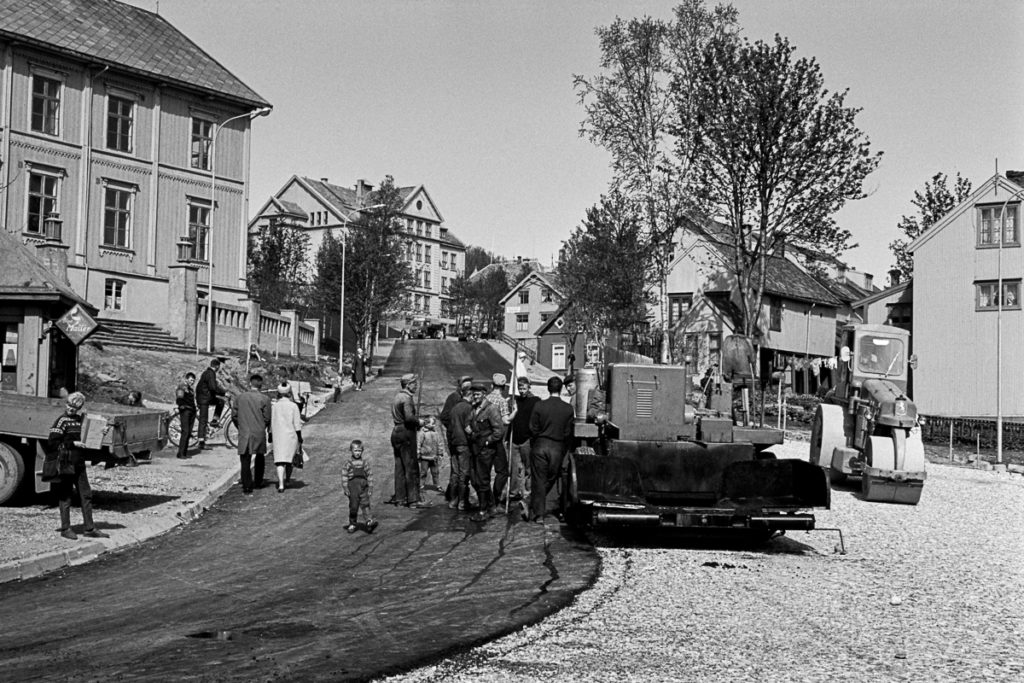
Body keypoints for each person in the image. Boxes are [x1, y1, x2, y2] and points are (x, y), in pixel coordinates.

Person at [48, 392, 109, 540]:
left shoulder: (80, 421)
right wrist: (72, 444)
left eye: (74, 407)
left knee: (86, 495)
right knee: (66, 496)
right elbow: (52, 443)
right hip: (66, 463)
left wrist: (101, 433)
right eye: (69, 405)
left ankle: (89, 528)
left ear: (79, 407)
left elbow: (89, 436)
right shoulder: (61, 421)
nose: (70, 409)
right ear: (66, 404)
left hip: (79, 464)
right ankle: (65, 528)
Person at [528, 376, 575, 523]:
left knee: (538, 479)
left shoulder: (539, 406)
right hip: (557, 447)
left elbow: (532, 428)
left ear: (548, 389)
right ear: (561, 389)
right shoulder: (568, 409)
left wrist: (539, 437)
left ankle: (538, 513)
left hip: (540, 445)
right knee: (551, 478)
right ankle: (532, 504)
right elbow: (568, 432)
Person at [468, 381, 505, 521]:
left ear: (484, 395)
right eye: (473, 394)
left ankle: (483, 511)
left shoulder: (491, 409)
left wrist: (488, 441)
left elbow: (499, 431)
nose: (475, 397)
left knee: (483, 480)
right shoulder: (474, 408)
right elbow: (471, 423)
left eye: (477, 394)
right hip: (477, 449)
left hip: (487, 450)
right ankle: (491, 507)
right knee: (477, 479)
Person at [389, 373, 427, 507]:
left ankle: (400, 499)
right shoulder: (406, 399)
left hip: (396, 432)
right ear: (407, 385)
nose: (416, 386)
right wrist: (420, 422)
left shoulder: (397, 396)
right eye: (414, 383)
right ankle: (413, 500)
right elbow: (409, 418)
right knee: (411, 467)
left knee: (399, 467)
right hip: (406, 433)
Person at [234, 374, 272, 495]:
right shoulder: (265, 399)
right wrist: (263, 426)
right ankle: (258, 481)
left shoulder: (240, 398)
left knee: (245, 459)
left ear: (250, 383)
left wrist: (240, 426)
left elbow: (234, 415)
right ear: (260, 385)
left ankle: (247, 485)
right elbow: (267, 417)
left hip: (244, 431)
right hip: (259, 431)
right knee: (260, 457)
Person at [509, 376, 541, 514]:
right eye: (520, 388)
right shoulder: (514, 401)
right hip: (514, 439)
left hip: (527, 439)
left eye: (524, 388)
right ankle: (514, 492)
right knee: (514, 468)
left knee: (528, 468)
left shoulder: (535, 401)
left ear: (529, 387)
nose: (522, 391)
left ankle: (528, 493)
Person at [439, 375, 473, 500]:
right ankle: (459, 498)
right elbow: (444, 417)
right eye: (467, 386)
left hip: (456, 437)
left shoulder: (462, 400)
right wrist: (454, 428)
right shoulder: (454, 398)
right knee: (461, 469)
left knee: (456, 469)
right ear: (461, 387)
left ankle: (452, 496)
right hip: (458, 438)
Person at [485, 373, 514, 506]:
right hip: (496, 440)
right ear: (504, 387)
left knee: (484, 470)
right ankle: (495, 498)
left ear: (492, 386)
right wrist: (515, 411)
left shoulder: (485, 399)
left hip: (484, 438)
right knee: (502, 471)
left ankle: (484, 498)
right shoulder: (502, 401)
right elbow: (506, 420)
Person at [271, 383, 304, 493]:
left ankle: (280, 484)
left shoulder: (274, 406)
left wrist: (270, 435)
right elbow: (297, 424)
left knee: (279, 461)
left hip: (278, 435)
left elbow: (272, 422)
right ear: (289, 393)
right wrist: (300, 437)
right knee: (289, 459)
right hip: (291, 435)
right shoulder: (293, 406)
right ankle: (288, 479)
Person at [447, 383, 474, 510]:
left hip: (454, 442)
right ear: (471, 395)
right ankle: (463, 502)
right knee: (464, 474)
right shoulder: (468, 408)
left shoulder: (455, 407)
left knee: (455, 473)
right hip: (464, 443)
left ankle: (453, 500)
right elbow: (468, 428)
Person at [343, 440, 378, 533]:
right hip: (353, 488)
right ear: (351, 450)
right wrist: (345, 488)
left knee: (365, 504)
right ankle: (352, 523)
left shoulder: (365, 463)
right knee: (354, 507)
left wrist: (370, 487)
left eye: (359, 451)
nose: (357, 453)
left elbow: (370, 475)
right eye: (355, 451)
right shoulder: (348, 463)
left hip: (363, 487)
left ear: (362, 451)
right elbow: (344, 476)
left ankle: (369, 521)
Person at [195, 358, 227, 450]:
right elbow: (213, 387)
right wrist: (224, 393)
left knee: (220, 401)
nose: (218, 369)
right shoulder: (211, 374)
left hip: (204, 397)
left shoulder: (206, 372)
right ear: (217, 366)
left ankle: (214, 421)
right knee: (203, 420)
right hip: (204, 399)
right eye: (218, 367)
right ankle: (201, 443)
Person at [417, 415, 445, 491]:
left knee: (435, 472)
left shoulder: (436, 433)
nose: (434, 425)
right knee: (423, 472)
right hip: (425, 457)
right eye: (433, 424)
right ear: (427, 424)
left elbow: (439, 443)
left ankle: (437, 485)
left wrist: (440, 453)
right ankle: (421, 485)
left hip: (434, 457)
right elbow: (418, 443)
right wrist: (418, 453)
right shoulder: (422, 433)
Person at [175, 372, 197, 459]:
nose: (192, 382)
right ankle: (180, 453)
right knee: (185, 432)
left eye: (193, 381)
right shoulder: (181, 387)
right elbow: (179, 398)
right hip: (185, 411)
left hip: (192, 411)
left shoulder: (191, 389)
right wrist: (182, 406)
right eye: (191, 380)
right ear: (187, 379)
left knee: (188, 432)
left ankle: (184, 452)